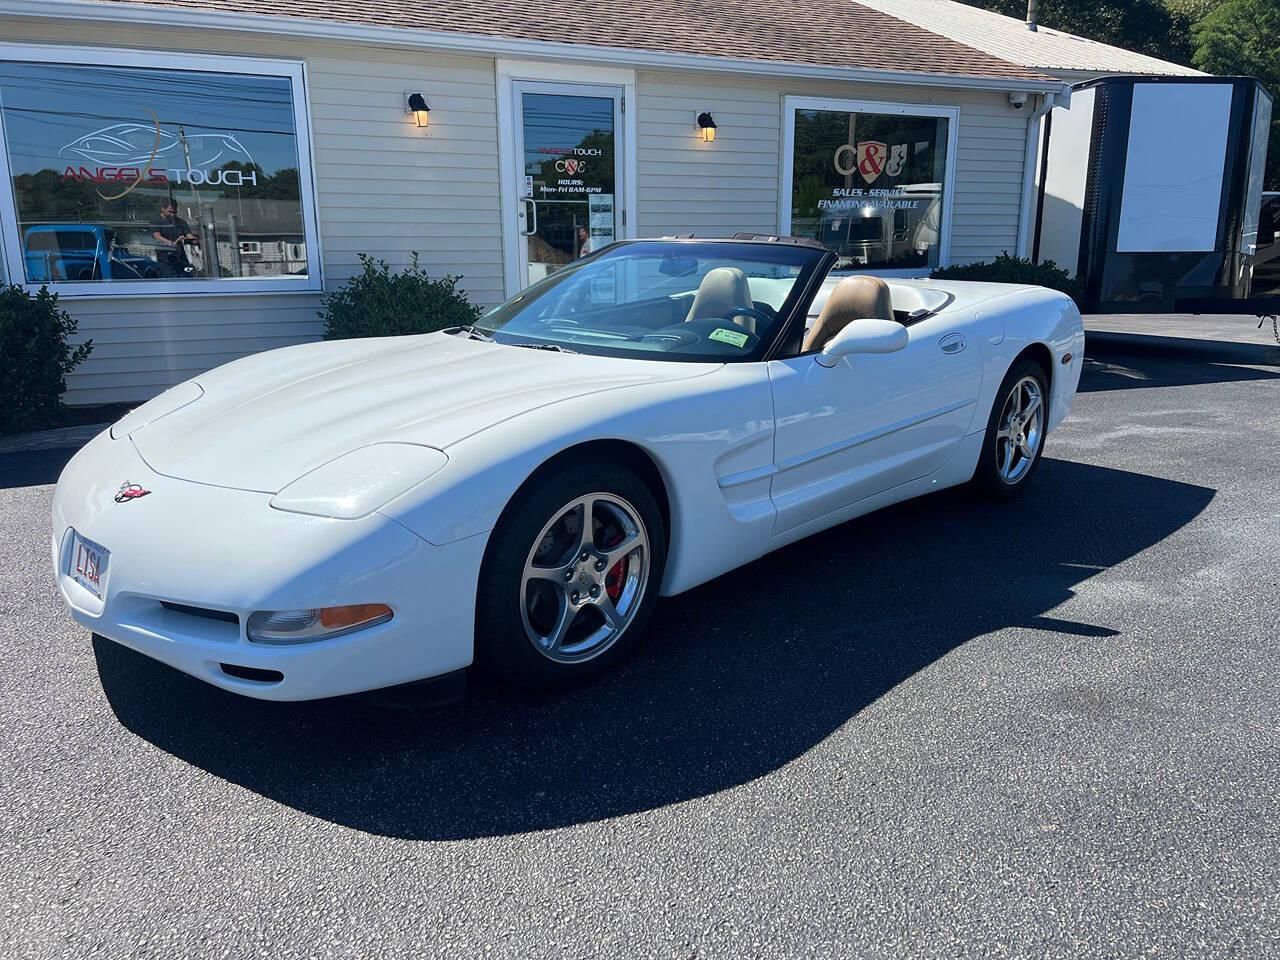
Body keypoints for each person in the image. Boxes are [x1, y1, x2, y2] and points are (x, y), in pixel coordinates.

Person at [151, 200, 199, 276]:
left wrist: (194, 240)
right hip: (165, 258)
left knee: (187, 276)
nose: (172, 214)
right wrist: (171, 243)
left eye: (174, 212)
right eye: (170, 212)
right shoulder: (156, 221)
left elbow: (189, 235)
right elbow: (157, 236)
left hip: (180, 257)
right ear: (163, 208)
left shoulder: (181, 222)